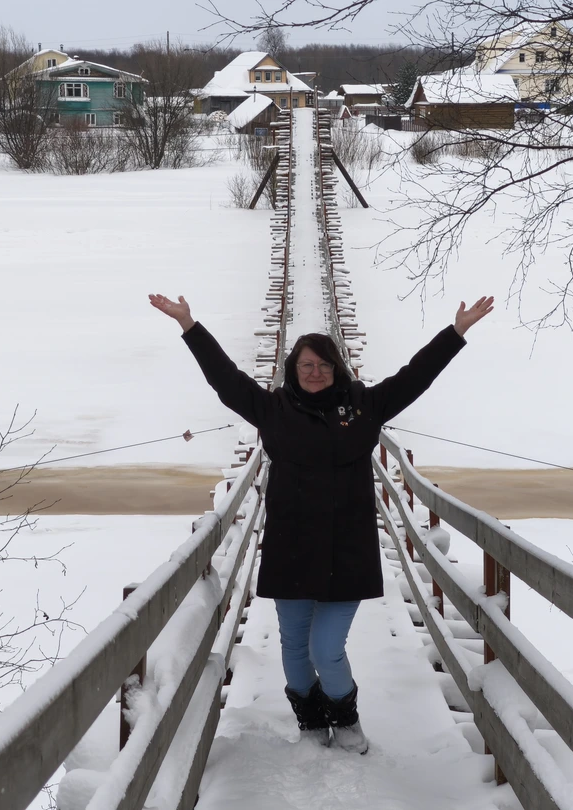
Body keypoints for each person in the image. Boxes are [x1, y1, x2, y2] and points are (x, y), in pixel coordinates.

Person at [148, 293, 494, 754]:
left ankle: (345, 721)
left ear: (337, 368)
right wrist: (189, 326)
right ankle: (311, 723)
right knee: (294, 649)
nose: (316, 372)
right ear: (293, 369)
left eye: (324, 365)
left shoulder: (364, 406)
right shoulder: (272, 409)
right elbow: (226, 380)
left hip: (346, 552)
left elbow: (416, 376)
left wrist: (456, 333)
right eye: (307, 365)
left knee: (326, 650)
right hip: (290, 549)